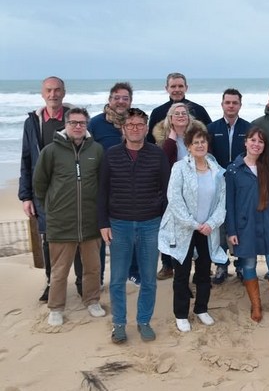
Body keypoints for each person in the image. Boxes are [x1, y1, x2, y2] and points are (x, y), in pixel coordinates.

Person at [98, 108, 170, 344]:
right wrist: (103, 222)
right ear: (123, 128)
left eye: (140, 125)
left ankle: (144, 321)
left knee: (148, 278)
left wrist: (164, 222)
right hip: (119, 224)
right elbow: (102, 190)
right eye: (131, 125)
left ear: (146, 128)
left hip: (151, 224)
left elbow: (167, 191)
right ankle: (119, 324)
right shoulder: (111, 154)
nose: (135, 129)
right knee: (117, 279)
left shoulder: (157, 154)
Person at [33, 107, 106, 326]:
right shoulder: (50, 151)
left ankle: (92, 301)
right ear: (66, 125)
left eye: (82, 123)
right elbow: (39, 184)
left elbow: (103, 183)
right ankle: (56, 308)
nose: (77, 126)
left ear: (87, 126)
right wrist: (52, 207)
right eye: (73, 122)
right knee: (59, 271)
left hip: (91, 222)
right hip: (61, 223)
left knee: (93, 268)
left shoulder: (97, 150)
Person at [19, 76, 82, 302]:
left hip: (74, 191)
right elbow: (27, 159)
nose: (53, 94)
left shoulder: (76, 119)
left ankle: (82, 283)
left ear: (64, 92)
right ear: (42, 93)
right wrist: (25, 196)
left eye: (57, 90)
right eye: (49, 90)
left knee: (78, 238)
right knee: (49, 240)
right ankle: (51, 283)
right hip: (44, 193)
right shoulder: (32, 123)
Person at [158, 123, 227, 332]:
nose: (199, 145)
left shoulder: (216, 169)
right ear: (188, 146)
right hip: (184, 229)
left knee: (204, 272)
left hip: (207, 230)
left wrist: (211, 224)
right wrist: (193, 224)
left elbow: (221, 202)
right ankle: (181, 314)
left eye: (202, 141)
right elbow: (174, 199)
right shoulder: (179, 168)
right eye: (195, 142)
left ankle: (201, 309)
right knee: (182, 272)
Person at [225, 127, 269, 322]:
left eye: (260, 141)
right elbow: (229, 204)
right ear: (245, 142)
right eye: (252, 140)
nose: (256, 144)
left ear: (264, 146)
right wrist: (232, 231)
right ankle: (256, 304)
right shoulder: (234, 170)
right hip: (246, 226)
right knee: (249, 266)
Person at [88, 82, 140, 287]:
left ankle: (133, 273)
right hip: (103, 186)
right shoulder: (95, 123)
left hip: (131, 187)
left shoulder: (136, 121)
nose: (121, 102)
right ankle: (99, 277)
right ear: (109, 100)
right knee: (102, 232)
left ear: (130, 101)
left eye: (125, 98)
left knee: (132, 232)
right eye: (117, 98)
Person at [153, 102, 207, 280]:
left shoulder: (197, 135)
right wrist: (171, 139)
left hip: (197, 189)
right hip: (174, 192)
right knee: (175, 232)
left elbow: (206, 157)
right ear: (170, 118)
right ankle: (171, 267)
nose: (181, 116)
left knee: (197, 229)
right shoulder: (164, 138)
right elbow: (163, 162)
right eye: (177, 114)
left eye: (184, 113)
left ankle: (201, 268)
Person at [207, 88, 251, 284]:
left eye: (235, 102)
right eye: (228, 102)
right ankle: (221, 264)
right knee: (220, 225)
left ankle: (241, 264)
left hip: (242, 185)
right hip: (218, 184)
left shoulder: (248, 128)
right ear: (222, 104)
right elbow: (207, 157)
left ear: (240, 105)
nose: (231, 106)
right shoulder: (211, 128)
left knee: (241, 223)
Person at [146, 72, 212, 143]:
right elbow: (149, 141)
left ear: (186, 88)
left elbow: (210, 136)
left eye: (180, 86)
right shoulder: (157, 112)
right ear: (167, 88)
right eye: (173, 86)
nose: (177, 90)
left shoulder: (199, 110)